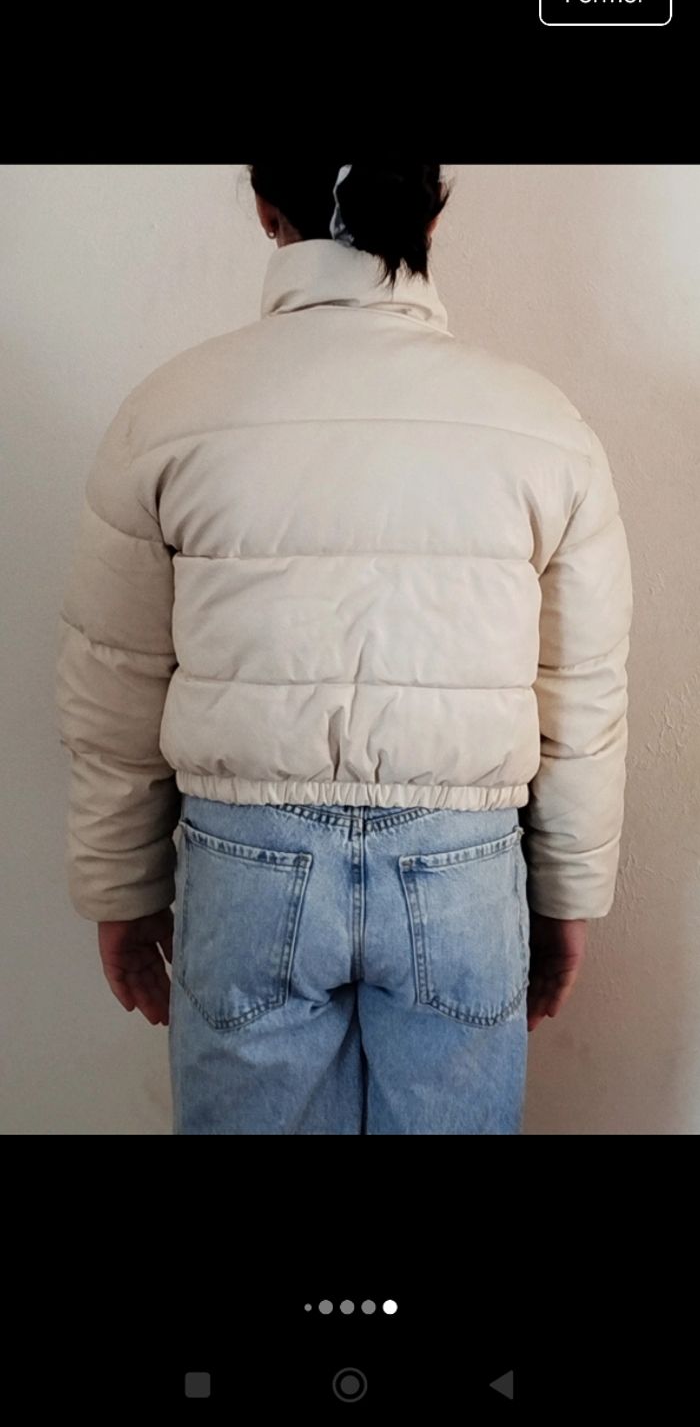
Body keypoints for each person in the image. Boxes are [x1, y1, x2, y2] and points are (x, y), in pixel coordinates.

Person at [54, 162, 633, 1135]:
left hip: (247, 865)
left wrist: (121, 884)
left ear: (265, 207)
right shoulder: (544, 427)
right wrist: (566, 895)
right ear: (431, 213)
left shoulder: (168, 410)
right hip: (461, 868)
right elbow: (581, 691)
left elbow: (115, 683)